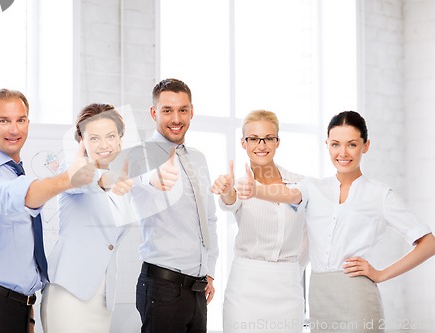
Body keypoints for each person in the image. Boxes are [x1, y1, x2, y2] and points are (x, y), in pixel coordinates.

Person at [236, 111, 435, 332]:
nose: (342, 153)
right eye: (335, 144)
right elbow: (287, 194)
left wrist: (381, 274)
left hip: (357, 295)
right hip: (319, 295)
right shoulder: (313, 187)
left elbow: (429, 243)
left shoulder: (380, 195)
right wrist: (256, 190)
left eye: (351, 144)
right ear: (327, 145)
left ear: (365, 146)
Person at [0, 88, 96, 333]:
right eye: (4, 121)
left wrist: (27, 314)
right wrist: (69, 178)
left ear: (28, 123)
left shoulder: (17, 173)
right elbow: (12, 196)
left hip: (18, 309)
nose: (14, 129)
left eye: (20, 120)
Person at [129, 78, 219, 333]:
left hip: (198, 290)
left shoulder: (198, 158)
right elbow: (137, 177)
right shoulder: (141, 155)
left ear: (192, 111)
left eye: (183, 110)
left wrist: (208, 270)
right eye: (167, 110)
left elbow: (209, 219)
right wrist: (152, 178)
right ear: (153, 113)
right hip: (162, 287)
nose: (176, 118)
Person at [211, 110, 307, 333]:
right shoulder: (239, 185)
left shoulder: (299, 183)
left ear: (277, 142)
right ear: (243, 143)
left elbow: (309, 234)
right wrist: (226, 191)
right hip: (246, 287)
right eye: (253, 138)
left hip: (288, 289)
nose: (261, 145)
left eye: (268, 138)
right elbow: (230, 201)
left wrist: (293, 268)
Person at [40, 104, 134, 333]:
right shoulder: (71, 170)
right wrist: (103, 181)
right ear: (82, 141)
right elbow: (80, 182)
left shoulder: (122, 184)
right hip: (69, 294)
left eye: (110, 136)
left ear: (120, 139)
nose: (104, 145)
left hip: (102, 297)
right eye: (94, 138)